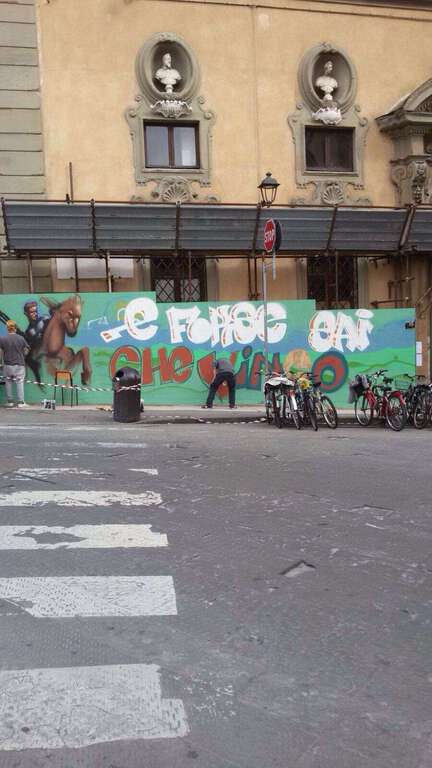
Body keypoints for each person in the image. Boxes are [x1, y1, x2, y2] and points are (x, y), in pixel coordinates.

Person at [0, 320, 29, 407]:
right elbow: (26, 350)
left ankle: (10, 402)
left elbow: (0, 352)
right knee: (19, 382)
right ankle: (21, 402)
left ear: (7, 328)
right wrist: (23, 354)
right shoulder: (21, 338)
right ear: (15, 328)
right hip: (19, 364)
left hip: (7, 364)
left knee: (8, 382)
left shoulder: (2, 339)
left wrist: (1, 363)